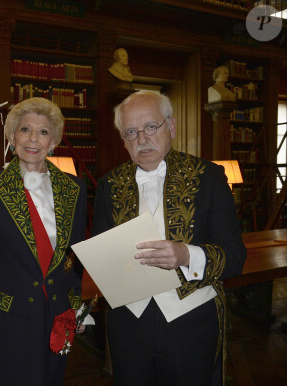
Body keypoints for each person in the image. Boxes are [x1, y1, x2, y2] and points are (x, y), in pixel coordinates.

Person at [93, 91, 246, 385]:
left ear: (171, 126)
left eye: (151, 127)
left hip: (193, 319)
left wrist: (187, 255)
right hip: (127, 323)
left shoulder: (209, 177)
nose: (142, 139)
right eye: (131, 132)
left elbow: (235, 255)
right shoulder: (108, 186)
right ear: (122, 139)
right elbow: (102, 254)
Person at [0, 97, 88, 385]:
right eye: (25, 130)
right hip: (9, 314)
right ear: (11, 137)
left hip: (59, 312)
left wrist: (78, 308)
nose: (33, 139)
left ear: (54, 140)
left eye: (43, 132)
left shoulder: (75, 188)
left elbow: (75, 256)